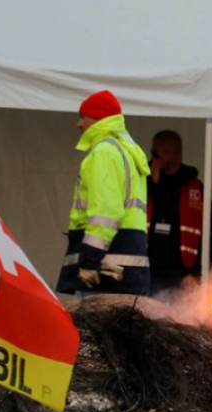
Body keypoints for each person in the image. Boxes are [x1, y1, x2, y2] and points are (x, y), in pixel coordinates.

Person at [57, 90, 151, 296]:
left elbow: (106, 213)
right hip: (127, 266)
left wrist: (90, 259)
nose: (78, 124)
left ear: (98, 119)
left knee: (93, 327)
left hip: (105, 271)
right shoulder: (128, 151)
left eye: (83, 117)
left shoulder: (104, 152)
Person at [146, 130, 212, 295]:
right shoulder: (142, 183)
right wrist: (152, 182)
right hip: (147, 274)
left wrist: (198, 274)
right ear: (154, 153)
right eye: (167, 152)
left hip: (183, 277)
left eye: (176, 151)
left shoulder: (195, 187)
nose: (172, 157)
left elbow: (210, 233)